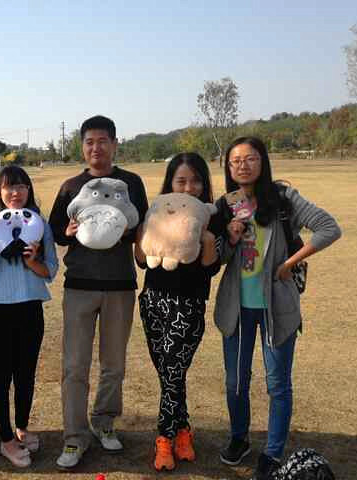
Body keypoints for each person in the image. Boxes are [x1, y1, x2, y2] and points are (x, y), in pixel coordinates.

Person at [212, 137, 341, 480]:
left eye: (250, 158)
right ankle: (239, 438)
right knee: (235, 382)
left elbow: (329, 228)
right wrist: (231, 237)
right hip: (237, 307)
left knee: (278, 384)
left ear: (263, 161)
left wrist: (289, 263)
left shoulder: (283, 199)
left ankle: (272, 453)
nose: (242, 165)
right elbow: (218, 258)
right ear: (228, 167)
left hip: (277, 306)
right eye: (235, 160)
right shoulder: (227, 204)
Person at [49, 115, 149, 470]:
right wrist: (68, 230)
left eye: (103, 141)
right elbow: (55, 232)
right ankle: (75, 436)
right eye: (90, 142)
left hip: (119, 285)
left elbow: (142, 226)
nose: (96, 148)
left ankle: (104, 422)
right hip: (80, 285)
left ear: (115, 144)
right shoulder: (70, 187)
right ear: (82, 146)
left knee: (113, 364)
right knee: (74, 365)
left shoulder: (131, 183)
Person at [134, 153, 220, 471]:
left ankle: (164, 438)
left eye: (195, 181)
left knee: (172, 372)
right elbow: (142, 262)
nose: (188, 187)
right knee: (170, 374)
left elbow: (211, 268)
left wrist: (207, 240)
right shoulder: (158, 211)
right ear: (170, 182)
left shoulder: (210, 216)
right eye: (181, 180)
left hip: (189, 306)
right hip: (153, 301)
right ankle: (183, 430)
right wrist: (142, 234)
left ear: (204, 184)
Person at [0, 165, 59, 467]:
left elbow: (50, 270)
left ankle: (21, 427)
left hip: (30, 307)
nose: (15, 192)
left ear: (28, 190)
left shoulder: (39, 224)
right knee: (1, 375)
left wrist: (33, 261)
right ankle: (6, 439)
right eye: (9, 186)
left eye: (21, 186)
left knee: (26, 374)